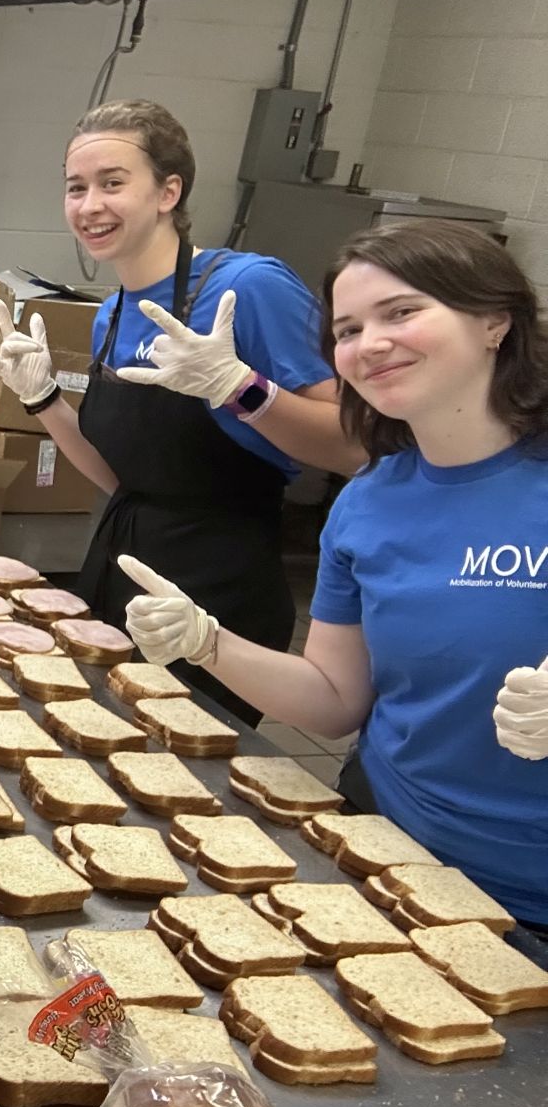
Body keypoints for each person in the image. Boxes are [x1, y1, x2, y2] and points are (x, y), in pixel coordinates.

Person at [119, 220, 548, 931]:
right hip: (389, 858)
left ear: (494, 321)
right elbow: (333, 700)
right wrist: (207, 642)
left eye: (403, 312)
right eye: (346, 330)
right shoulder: (369, 501)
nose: (369, 344)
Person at [0, 99, 364, 724]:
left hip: (219, 593)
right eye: (76, 188)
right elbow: (121, 480)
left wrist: (241, 389)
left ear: (168, 191)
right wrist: (43, 398)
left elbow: (353, 446)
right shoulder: (111, 312)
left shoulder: (247, 287)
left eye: (112, 182)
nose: (89, 205)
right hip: (119, 578)